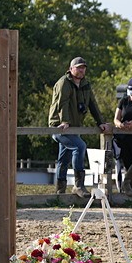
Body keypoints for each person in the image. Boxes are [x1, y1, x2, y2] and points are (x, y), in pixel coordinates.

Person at [48, 57, 109, 196]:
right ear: (71, 69)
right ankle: (78, 185)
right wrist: (64, 121)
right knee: (79, 146)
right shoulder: (64, 82)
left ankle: (60, 192)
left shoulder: (85, 84)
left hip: (74, 126)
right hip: (59, 126)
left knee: (64, 157)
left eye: (83, 67)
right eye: (78, 67)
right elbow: (62, 103)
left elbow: (92, 104)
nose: (81, 70)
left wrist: (101, 122)